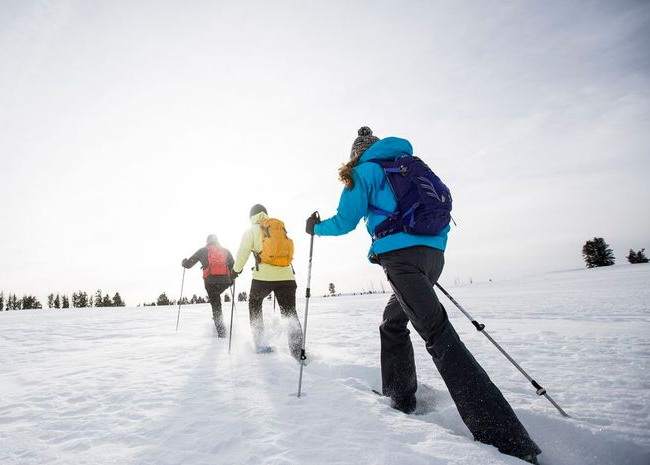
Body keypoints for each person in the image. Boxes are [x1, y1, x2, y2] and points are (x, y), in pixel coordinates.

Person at [305, 127, 541, 464]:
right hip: (433, 257)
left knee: (439, 336)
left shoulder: (364, 171)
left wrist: (315, 227)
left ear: (358, 153)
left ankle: (508, 439)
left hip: (401, 260)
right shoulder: (410, 164)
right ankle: (400, 396)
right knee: (392, 322)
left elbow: (345, 221)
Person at [231, 204, 303, 359]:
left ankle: (260, 344)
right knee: (290, 312)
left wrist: (235, 271)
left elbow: (242, 253)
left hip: (263, 278)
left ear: (251, 216)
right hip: (287, 277)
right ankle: (298, 351)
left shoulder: (251, 231)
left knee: (255, 304)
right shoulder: (277, 227)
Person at [182, 234, 235, 338]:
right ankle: (219, 323)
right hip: (225, 281)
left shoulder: (203, 250)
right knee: (217, 299)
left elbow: (188, 264)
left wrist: (183, 262)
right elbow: (233, 264)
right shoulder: (225, 250)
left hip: (210, 281)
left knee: (216, 305)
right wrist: (231, 279)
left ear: (208, 241)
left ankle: (221, 331)